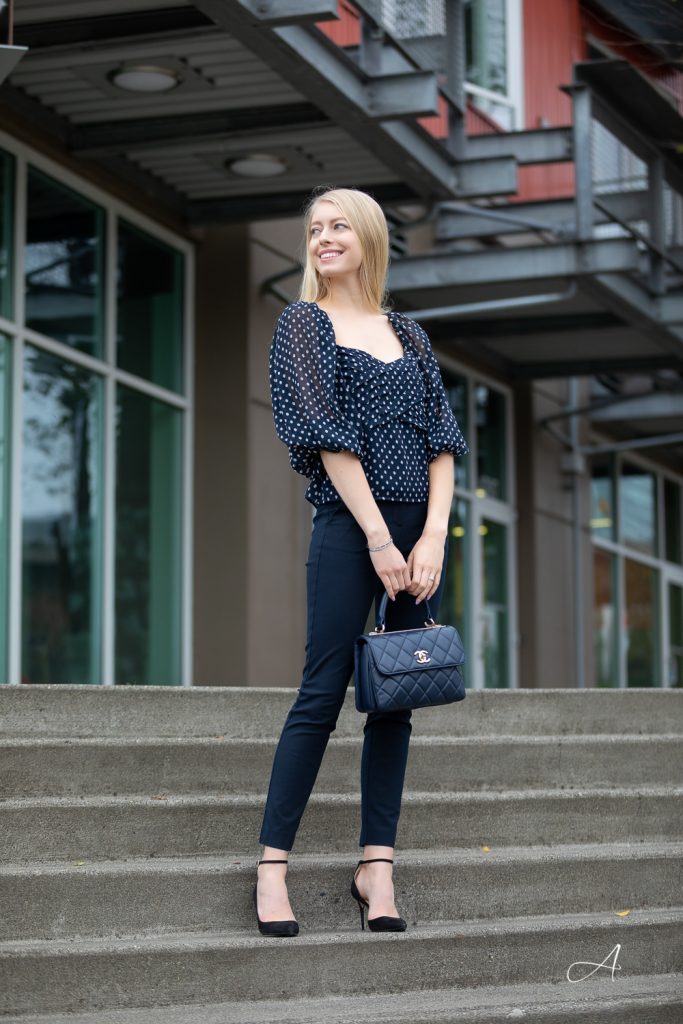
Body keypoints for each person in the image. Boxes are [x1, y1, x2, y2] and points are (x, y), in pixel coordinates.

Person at [254, 186, 469, 937]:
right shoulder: (301, 324)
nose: (322, 238)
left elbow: (444, 440)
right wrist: (379, 538)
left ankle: (376, 866)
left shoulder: (407, 332)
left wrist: (433, 535)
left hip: (420, 539)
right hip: (352, 530)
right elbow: (322, 434)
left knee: (396, 699)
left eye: (338, 225)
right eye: (314, 229)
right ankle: (272, 869)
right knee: (322, 690)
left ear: (369, 236)